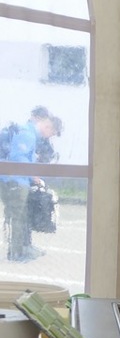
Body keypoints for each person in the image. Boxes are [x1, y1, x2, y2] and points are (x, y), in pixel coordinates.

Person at [1, 106, 61, 262]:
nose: (50, 137)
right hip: (14, 180)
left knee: (22, 215)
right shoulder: (27, 134)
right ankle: (16, 253)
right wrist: (32, 173)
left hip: (18, 179)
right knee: (18, 216)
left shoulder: (29, 134)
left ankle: (23, 249)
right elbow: (18, 157)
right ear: (47, 127)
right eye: (52, 133)